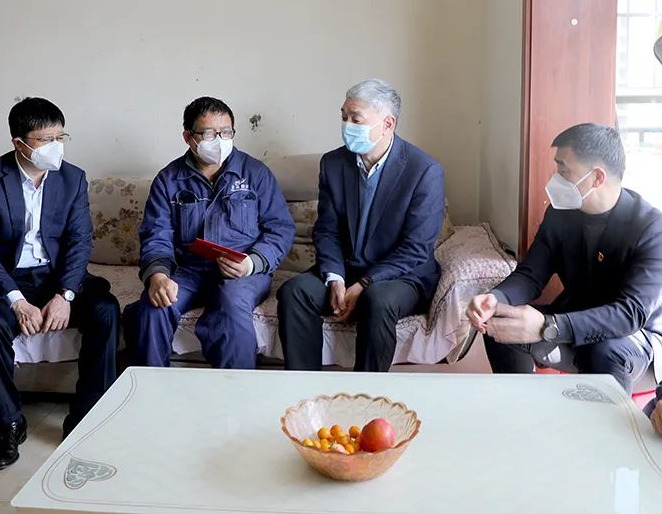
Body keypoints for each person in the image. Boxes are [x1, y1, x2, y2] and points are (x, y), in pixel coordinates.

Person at [0, 97, 119, 471]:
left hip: (56, 276)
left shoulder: (73, 178)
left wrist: (65, 295)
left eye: (60, 137)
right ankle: (11, 422)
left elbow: (80, 241)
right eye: (46, 139)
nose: (55, 146)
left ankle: (86, 416)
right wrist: (16, 300)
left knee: (106, 311)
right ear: (20, 143)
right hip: (6, 279)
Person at [467, 123, 662, 396]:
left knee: (604, 350)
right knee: (501, 323)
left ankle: (607, 422)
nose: (555, 177)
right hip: (572, 321)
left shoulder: (651, 228)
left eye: (563, 169)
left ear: (597, 177)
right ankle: (519, 406)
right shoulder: (561, 214)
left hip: (636, 341)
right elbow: (531, 274)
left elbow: (630, 313)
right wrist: (496, 298)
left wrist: (549, 327)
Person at [277, 78, 445, 372]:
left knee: (377, 300)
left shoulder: (424, 171)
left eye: (356, 119)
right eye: (343, 116)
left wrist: (365, 284)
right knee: (295, 292)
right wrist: (335, 278)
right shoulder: (333, 163)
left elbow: (416, 248)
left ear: (388, 123)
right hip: (346, 267)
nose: (346, 125)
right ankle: (304, 388)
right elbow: (327, 230)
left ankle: (367, 392)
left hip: (402, 276)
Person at [124, 96, 294, 369]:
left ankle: (235, 389)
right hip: (188, 271)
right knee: (152, 310)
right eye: (208, 134)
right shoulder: (168, 179)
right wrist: (158, 276)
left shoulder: (255, 173)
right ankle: (149, 389)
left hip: (243, 271)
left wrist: (252, 263)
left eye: (225, 132)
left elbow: (280, 229)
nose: (219, 140)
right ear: (188, 137)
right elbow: (156, 234)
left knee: (230, 306)